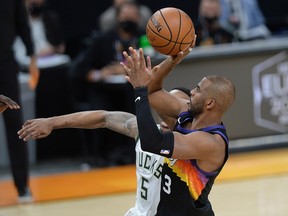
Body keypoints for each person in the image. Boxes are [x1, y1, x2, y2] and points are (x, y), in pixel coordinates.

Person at [18, 87, 190, 216]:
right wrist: (51, 122)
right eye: (164, 106)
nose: (166, 112)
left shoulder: (195, 144)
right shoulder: (144, 132)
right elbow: (104, 117)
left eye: (173, 109)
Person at [121, 46, 236, 215]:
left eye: (197, 90)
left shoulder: (210, 142)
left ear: (209, 103)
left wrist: (139, 90)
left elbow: (152, 142)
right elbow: (153, 93)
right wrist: (172, 61)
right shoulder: (187, 113)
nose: (192, 92)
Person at [69, 1, 145, 166]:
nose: (128, 20)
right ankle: (103, 155)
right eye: (125, 16)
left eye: (132, 17)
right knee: (101, 102)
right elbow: (79, 71)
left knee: (137, 101)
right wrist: (102, 73)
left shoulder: (143, 38)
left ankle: (135, 152)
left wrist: (126, 69)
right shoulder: (103, 40)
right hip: (105, 89)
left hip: (131, 88)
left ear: (139, 18)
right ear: (117, 18)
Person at [0, 0, 39, 203]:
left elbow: (22, 23)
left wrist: (32, 56)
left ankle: (22, 185)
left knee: (15, 122)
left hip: (5, 63)